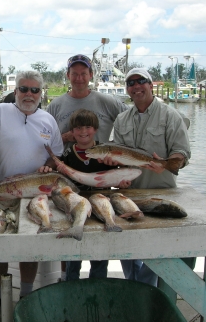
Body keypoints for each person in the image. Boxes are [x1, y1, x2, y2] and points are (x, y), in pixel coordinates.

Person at [0, 70, 63, 320]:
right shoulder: (0, 112)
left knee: (29, 246)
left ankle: (26, 294)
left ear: (41, 93)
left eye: (35, 90)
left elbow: (55, 156)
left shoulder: (48, 120)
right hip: (1, 190)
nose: (29, 94)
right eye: (24, 89)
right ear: (16, 91)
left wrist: (49, 166)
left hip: (34, 194)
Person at [102, 68, 191, 286]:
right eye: (131, 83)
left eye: (141, 81)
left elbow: (182, 153)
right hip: (128, 193)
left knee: (157, 250)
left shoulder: (172, 115)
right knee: (128, 249)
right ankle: (136, 289)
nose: (136, 86)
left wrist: (167, 164)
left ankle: (145, 290)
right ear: (127, 90)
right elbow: (121, 154)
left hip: (163, 192)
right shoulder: (121, 119)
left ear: (151, 85)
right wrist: (113, 162)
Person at [41, 108, 130, 281]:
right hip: (74, 205)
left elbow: (117, 175)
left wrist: (123, 183)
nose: (83, 132)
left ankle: (97, 286)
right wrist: (46, 170)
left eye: (88, 127)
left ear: (95, 129)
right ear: (72, 132)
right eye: (78, 128)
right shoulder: (67, 155)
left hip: (102, 206)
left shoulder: (106, 153)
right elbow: (58, 178)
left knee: (100, 255)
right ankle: (71, 286)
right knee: (73, 255)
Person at [46, 54, 128, 148]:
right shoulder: (54, 106)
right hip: (64, 162)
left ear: (91, 75)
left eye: (83, 74)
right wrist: (64, 137)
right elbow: (44, 140)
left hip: (100, 161)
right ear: (68, 75)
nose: (79, 78)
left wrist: (115, 146)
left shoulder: (107, 102)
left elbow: (133, 118)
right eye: (75, 74)